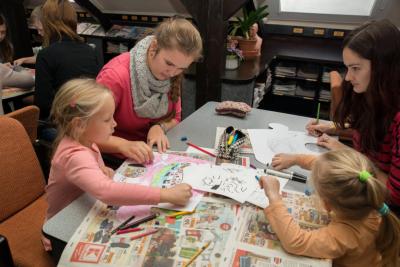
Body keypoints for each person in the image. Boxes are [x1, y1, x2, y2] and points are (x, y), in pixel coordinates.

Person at [44, 79, 192, 250]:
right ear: (79, 124)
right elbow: (106, 191)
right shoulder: (75, 155)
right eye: (107, 120)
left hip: (85, 209)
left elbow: (86, 173)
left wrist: (101, 170)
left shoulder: (85, 139)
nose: (114, 124)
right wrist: (166, 195)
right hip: (62, 234)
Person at [271, 20, 400, 213]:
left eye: (355, 68)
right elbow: (371, 133)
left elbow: (394, 194)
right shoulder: (374, 95)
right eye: (347, 68)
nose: (348, 77)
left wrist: (348, 156)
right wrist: (333, 128)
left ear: (384, 67)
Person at [261, 149, 400, 267]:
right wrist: (296, 159)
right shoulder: (369, 200)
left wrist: (274, 196)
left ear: (327, 205)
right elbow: (326, 167)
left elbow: (295, 241)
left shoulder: (345, 235)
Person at [96, 17, 202, 164]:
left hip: (152, 154)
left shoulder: (172, 73)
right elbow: (87, 134)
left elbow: (176, 118)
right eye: (169, 63)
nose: (172, 73)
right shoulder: (115, 76)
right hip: (115, 158)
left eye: (181, 68)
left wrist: (159, 127)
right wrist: (124, 145)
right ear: (153, 48)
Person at [35, 0, 100, 120]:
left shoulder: (46, 55)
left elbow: (43, 105)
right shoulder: (89, 50)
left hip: (62, 123)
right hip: (89, 117)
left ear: (47, 23)